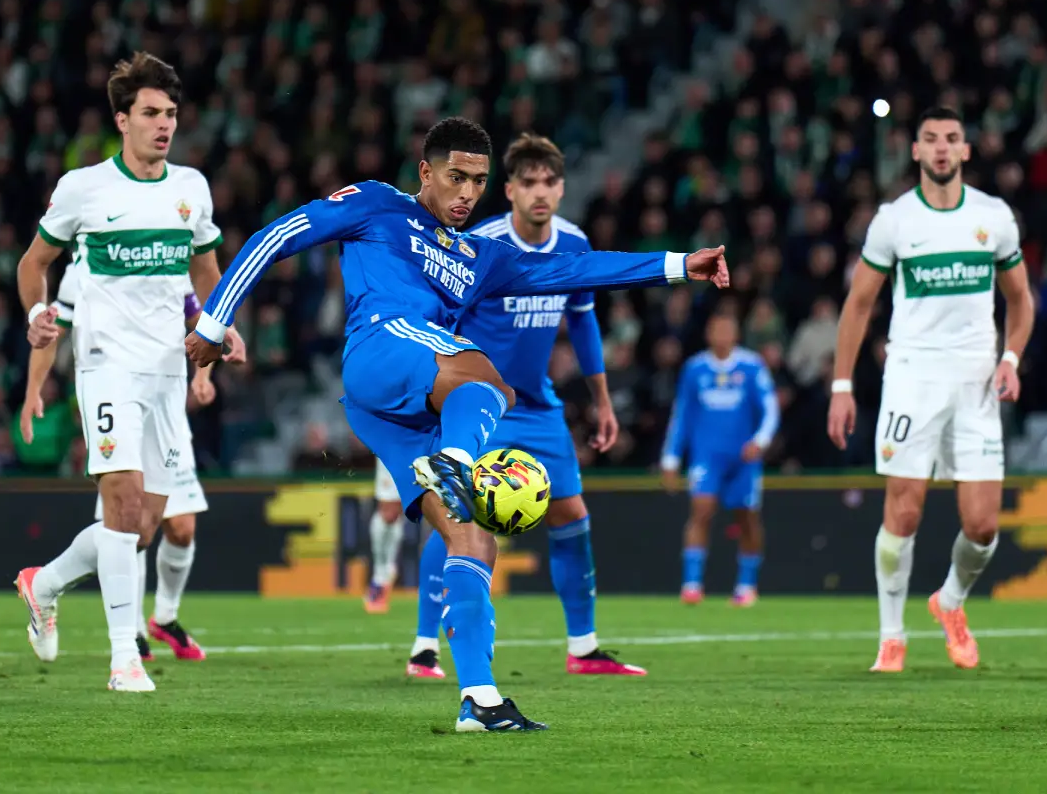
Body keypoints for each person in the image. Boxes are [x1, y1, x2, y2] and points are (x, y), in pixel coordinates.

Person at [186, 116, 728, 731]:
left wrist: (682, 265)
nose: (467, 192)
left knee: (472, 540)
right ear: (425, 173)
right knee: (488, 378)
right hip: (380, 350)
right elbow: (279, 234)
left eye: (477, 180)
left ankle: (481, 699)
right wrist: (213, 321)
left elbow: (578, 272)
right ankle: (458, 463)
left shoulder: (481, 256)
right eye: (455, 177)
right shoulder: (378, 205)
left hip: (396, 409)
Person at [14, 52, 244, 692]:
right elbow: (34, 264)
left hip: (168, 371)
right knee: (121, 502)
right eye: (150, 113)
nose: (163, 124)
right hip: (106, 365)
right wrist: (37, 310)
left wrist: (221, 323)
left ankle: (46, 581)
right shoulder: (84, 188)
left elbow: (205, 270)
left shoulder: (190, 189)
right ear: (122, 119)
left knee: (144, 526)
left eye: (170, 114)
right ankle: (125, 660)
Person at [407, 133, 646, 680]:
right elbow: (439, 319)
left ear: (561, 189)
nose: (541, 192)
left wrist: (602, 401)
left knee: (571, 515)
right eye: (528, 182)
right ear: (509, 190)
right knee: (457, 517)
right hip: (478, 402)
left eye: (550, 182)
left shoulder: (574, 246)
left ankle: (583, 648)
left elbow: (583, 321)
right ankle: (425, 646)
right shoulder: (482, 244)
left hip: (537, 406)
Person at [827, 106, 1035, 673]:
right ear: (915, 151)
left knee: (984, 525)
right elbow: (859, 305)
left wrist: (1011, 357)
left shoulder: (993, 217)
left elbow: (1021, 299)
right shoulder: (894, 221)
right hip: (913, 376)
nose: (941, 149)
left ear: (966, 151)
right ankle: (891, 637)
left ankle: (949, 601)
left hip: (976, 380)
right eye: (930, 140)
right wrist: (842, 385)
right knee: (905, 509)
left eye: (951, 139)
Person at [20, 262, 239, 662]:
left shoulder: (170, 253)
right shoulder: (83, 269)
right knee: (124, 519)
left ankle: (45, 583)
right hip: (114, 395)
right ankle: (128, 645)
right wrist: (34, 389)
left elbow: (195, 312)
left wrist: (221, 337)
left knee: (146, 532)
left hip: (165, 403)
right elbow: (52, 330)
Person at [661, 311, 778, 606]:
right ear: (708, 334)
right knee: (701, 510)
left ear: (736, 334)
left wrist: (760, 441)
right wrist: (671, 458)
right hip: (706, 455)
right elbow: (682, 414)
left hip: (743, 456)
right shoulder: (695, 368)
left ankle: (747, 585)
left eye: (728, 329)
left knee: (747, 517)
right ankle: (691, 584)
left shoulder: (751, 366)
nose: (722, 335)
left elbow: (770, 407)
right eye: (717, 329)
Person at [364, 460, 406, 614]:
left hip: (422, 441)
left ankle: (384, 571)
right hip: (393, 443)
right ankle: (381, 574)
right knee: (389, 512)